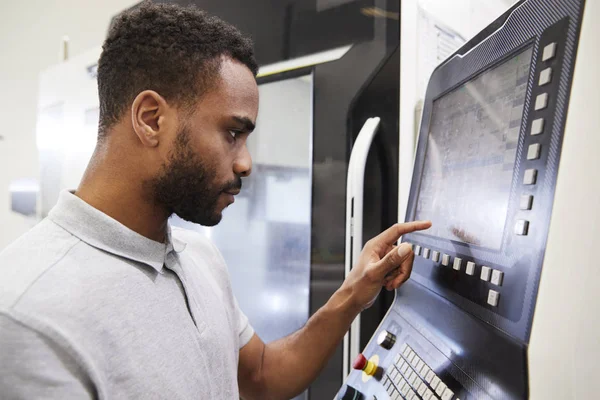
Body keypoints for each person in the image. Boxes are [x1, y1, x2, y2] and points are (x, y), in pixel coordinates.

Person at [0, 2, 431, 399]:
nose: (245, 164)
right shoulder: (27, 315)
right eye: (232, 133)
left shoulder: (198, 255)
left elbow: (260, 376)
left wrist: (355, 292)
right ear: (151, 119)